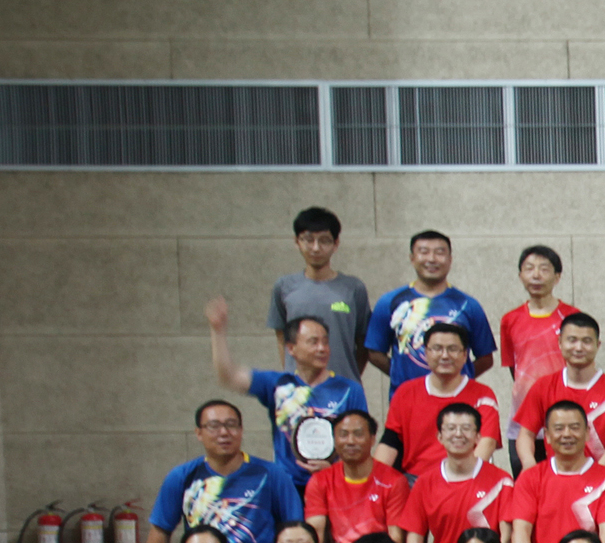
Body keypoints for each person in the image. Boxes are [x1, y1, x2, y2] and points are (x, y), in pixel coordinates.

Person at [146, 401, 304, 543]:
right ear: (199, 433)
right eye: (214, 426)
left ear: (241, 430)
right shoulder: (182, 476)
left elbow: (296, 530)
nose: (224, 433)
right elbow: (160, 530)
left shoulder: (271, 474)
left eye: (231, 425)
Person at [209, 298, 367, 484]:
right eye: (313, 342)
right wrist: (217, 331)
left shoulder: (349, 389)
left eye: (325, 342)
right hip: (288, 486)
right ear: (291, 348)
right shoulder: (278, 384)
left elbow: (363, 442)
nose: (322, 348)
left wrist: (335, 470)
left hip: (335, 484)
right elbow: (229, 376)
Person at [500, 402, 605, 543]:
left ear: (587, 433)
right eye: (559, 428)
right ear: (547, 436)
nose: (567, 434)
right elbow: (521, 531)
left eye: (574, 427)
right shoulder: (530, 478)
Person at [367, 230, 498, 393]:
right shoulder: (390, 302)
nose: (431, 259)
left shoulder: (468, 305)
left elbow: (485, 358)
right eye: (424, 252)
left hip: (456, 400)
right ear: (412, 258)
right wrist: (399, 376)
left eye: (439, 253)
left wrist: (456, 379)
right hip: (406, 398)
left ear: (450, 260)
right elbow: (374, 352)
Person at [379, 324, 506, 476]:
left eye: (453, 349)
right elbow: (389, 444)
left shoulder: (483, 394)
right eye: (437, 348)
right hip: (415, 481)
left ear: (465, 355)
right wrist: (373, 481)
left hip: (464, 477)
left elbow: (487, 443)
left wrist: (458, 480)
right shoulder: (405, 392)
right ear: (426, 353)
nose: (445, 356)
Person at [514, 312, 605, 469]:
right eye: (572, 340)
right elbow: (525, 434)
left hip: (601, 478)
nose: (579, 348)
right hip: (554, 478)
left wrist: (589, 477)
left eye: (586, 341)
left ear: (598, 345)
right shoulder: (543, 386)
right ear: (560, 342)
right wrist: (530, 466)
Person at [270, 207, 372, 385]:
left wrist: (348, 377)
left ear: (336, 243)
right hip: (299, 389)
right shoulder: (284, 286)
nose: (316, 248)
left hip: (343, 387)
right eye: (308, 240)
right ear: (297, 241)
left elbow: (364, 341)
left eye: (324, 241)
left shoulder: (353, 288)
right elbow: (281, 337)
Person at [300, 411, 405, 543]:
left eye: (358, 434)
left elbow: (395, 538)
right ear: (334, 440)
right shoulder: (320, 481)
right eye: (343, 435)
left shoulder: (394, 481)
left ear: (372, 439)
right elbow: (315, 536)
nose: (350, 441)